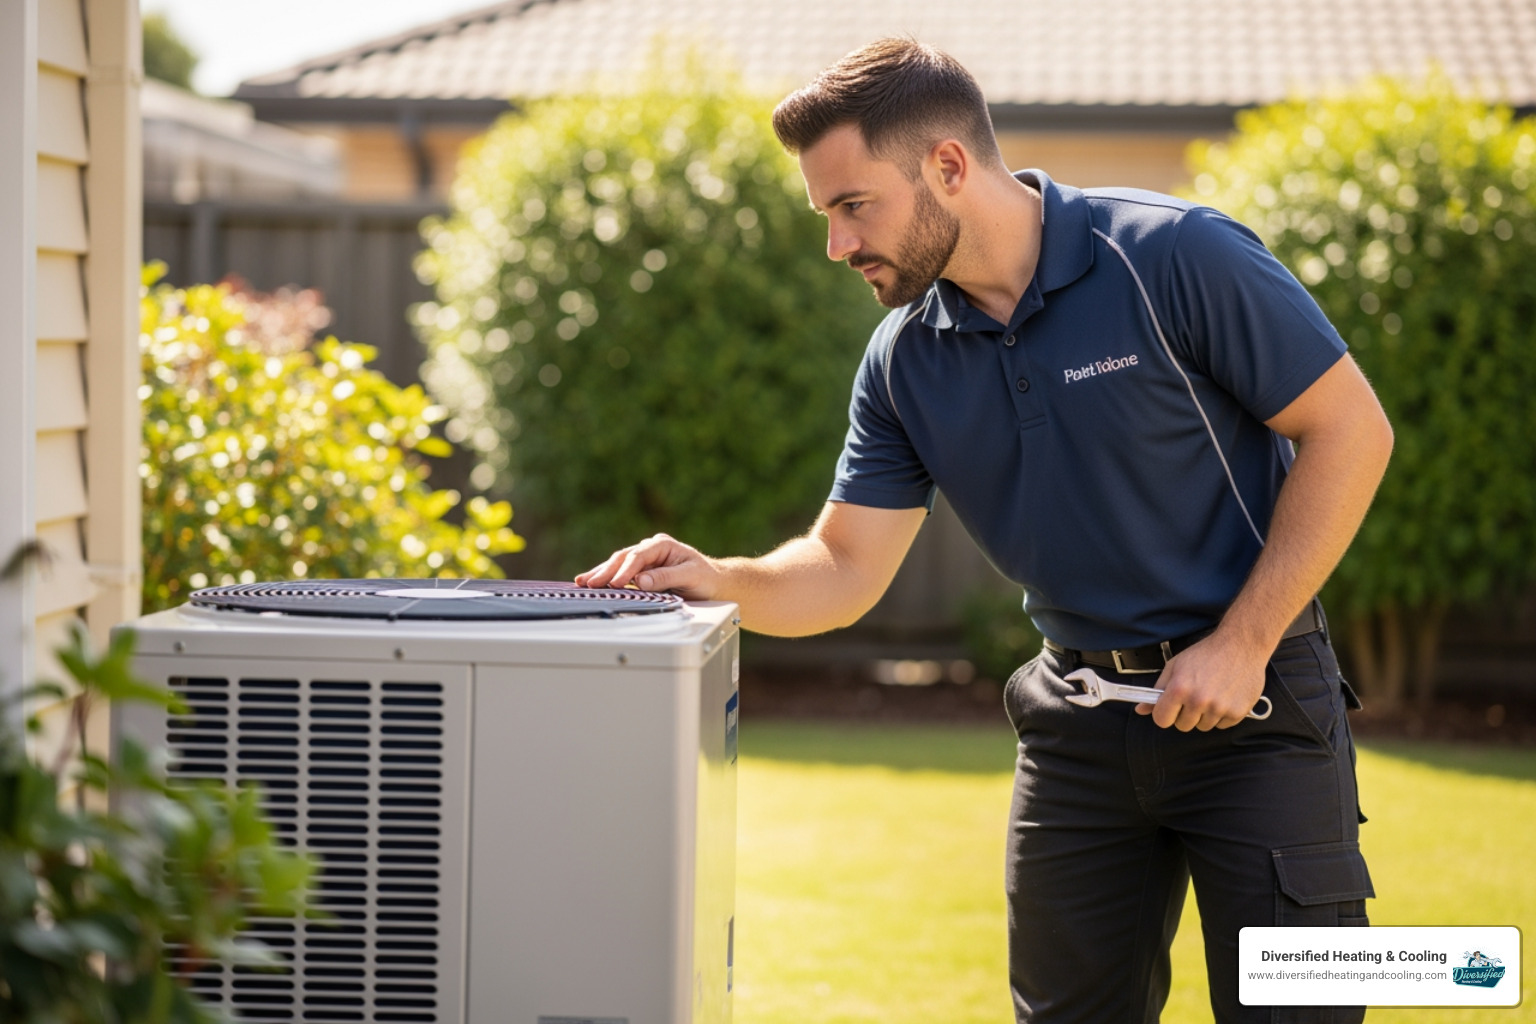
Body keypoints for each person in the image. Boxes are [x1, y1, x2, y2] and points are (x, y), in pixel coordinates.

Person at [577, 38, 1393, 1024]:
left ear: (948, 167)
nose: (837, 245)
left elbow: (1351, 430)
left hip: (1258, 714)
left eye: (852, 206)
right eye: (826, 215)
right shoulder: (903, 361)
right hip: (1079, 730)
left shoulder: (1175, 255)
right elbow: (842, 564)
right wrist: (721, 578)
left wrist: (1247, 640)